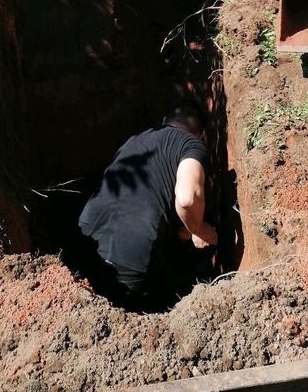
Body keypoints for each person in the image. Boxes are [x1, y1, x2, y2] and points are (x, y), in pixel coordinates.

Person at [78, 100, 217, 307]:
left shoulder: (135, 140)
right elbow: (187, 199)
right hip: (133, 259)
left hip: (86, 242)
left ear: (163, 122)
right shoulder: (191, 144)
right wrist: (198, 230)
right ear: (201, 134)